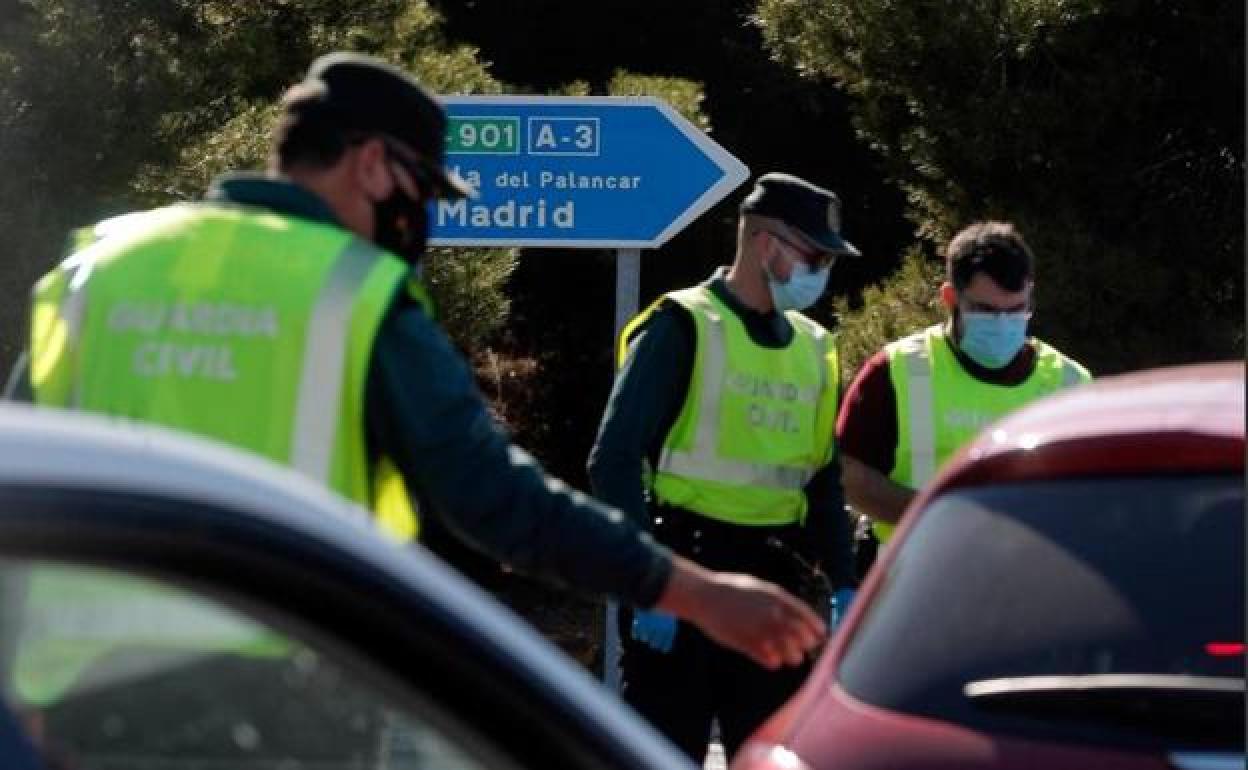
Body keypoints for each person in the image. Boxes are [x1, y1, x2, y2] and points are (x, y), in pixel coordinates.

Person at [7, 52, 824, 671]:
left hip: (72, 692)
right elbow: (496, 499)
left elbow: (22, 479)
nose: (424, 217)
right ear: (370, 164)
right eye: (423, 190)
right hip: (281, 695)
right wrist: (693, 590)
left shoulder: (101, 266)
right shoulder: (350, 292)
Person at [587, 172, 859, 762]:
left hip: (775, 589)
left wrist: (843, 582)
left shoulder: (816, 348)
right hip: (684, 580)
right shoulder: (682, 326)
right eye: (814, 256)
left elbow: (823, 478)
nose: (823, 272)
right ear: (765, 244)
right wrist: (648, 582)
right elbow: (613, 458)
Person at [837, 221, 1091, 545]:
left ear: (1030, 295)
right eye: (985, 310)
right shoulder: (898, 369)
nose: (1002, 324)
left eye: (1016, 310)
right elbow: (849, 475)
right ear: (950, 297)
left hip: (1029, 575)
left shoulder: (1071, 384)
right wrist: (940, 516)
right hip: (917, 570)